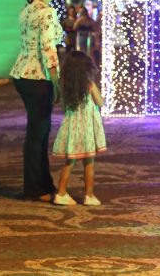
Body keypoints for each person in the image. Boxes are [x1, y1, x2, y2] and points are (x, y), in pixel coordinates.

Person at [10, 0, 63, 202]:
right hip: (38, 77)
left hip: (21, 73)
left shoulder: (27, 10)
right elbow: (48, 49)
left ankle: (43, 183)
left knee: (39, 131)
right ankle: (34, 187)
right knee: (37, 133)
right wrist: (57, 82)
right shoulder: (47, 13)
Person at [51, 51, 107, 206]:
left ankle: (61, 192)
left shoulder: (64, 86)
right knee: (89, 162)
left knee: (70, 162)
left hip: (72, 128)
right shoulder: (88, 84)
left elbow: (59, 102)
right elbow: (100, 102)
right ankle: (89, 195)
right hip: (87, 128)